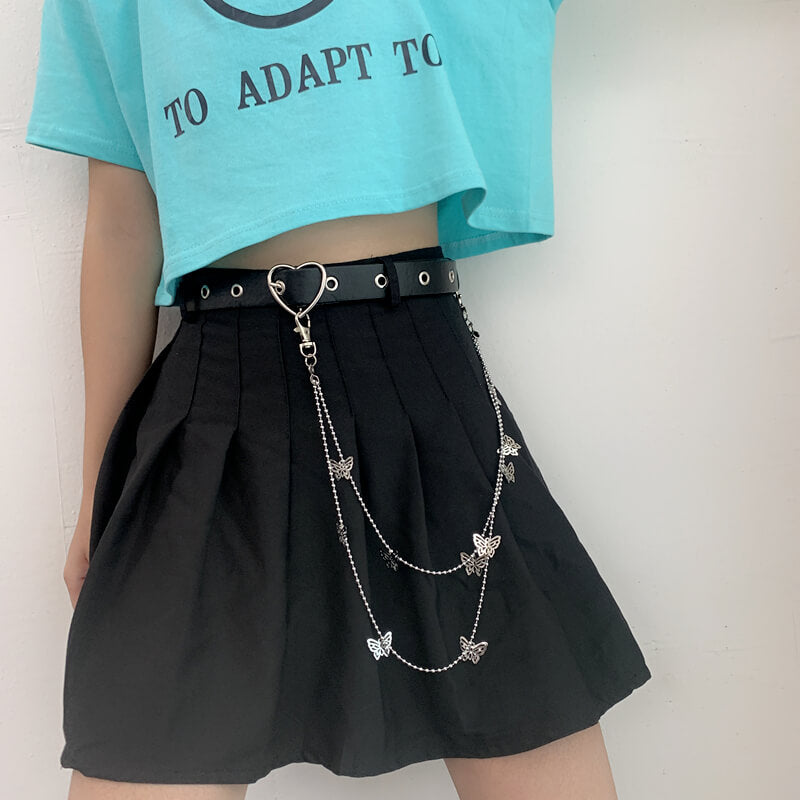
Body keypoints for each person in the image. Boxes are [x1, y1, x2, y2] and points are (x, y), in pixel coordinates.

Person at [24, 1, 652, 798]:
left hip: (417, 376)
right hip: (219, 390)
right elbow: (121, 225)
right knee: (141, 741)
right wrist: (99, 491)